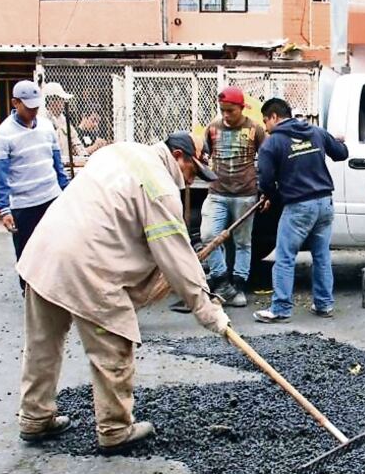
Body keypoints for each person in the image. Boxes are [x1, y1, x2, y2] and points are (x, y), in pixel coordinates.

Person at [14, 131, 229, 453]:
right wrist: (208, 311)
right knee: (113, 345)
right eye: (192, 171)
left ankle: (34, 417)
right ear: (179, 156)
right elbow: (176, 257)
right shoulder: (160, 187)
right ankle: (115, 429)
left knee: (42, 344)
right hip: (90, 266)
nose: (190, 180)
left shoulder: (122, 150)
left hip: (44, 252)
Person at [253, 98, 348, 323]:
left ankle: (280, 309)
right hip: (325, 203)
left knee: (285, 257)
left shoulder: (272, 143)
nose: (265, 126)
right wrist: (337, 141)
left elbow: (265, 181)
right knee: (322, 255)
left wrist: (275, 198)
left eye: (265, 120)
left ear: (274, 117)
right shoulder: (316, 132)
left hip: (298, 206)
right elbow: (341, 153)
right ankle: (324, 305)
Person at [0, 80, 69, 291]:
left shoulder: (46, 127)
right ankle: (29, 293)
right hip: (23, 205)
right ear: (15, 103)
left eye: (36, 106)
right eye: (29, 107)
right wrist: (4, 210)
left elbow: (57, 164)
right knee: (26, 251)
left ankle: (54, 290)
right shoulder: (2, 135)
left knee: (55, 247)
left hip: (51, 197)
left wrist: (65, 192)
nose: (34, 111)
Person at [197, 86, 266, 307]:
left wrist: (265, 191)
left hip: (245, 195)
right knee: (208, 236)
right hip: (217, 193)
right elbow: (203, 154)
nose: (226, 115)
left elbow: (265, 160)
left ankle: (238, 286)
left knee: (243, 243)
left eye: (230, 110)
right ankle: (221, 282)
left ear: (241, 108)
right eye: (222, 110)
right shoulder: (212, 128)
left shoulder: (256, 129)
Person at [43, 82, 106, 164]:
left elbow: (76, 143)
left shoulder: (64, 120)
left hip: (64, 163)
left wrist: (84, 158)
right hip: (49, 163)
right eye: (61, 99)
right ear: (52, 101)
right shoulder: (42, 120)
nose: (63, 103)